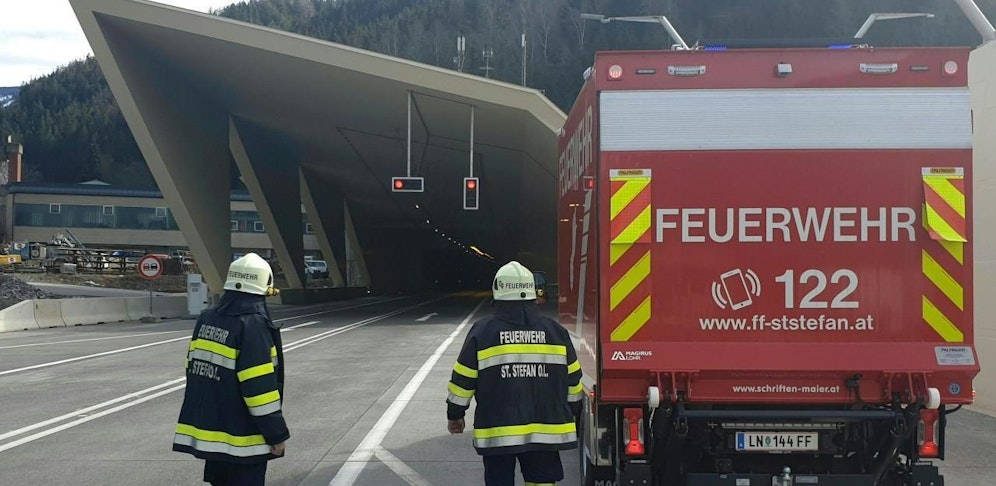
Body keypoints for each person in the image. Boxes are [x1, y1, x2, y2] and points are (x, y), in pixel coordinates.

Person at [446, 261, 584, 486]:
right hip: (546, 431)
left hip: (497, 431)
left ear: (498, 291)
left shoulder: (482, 332)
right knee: (542, 482)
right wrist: (571, 414)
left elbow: (463, 380)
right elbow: (574, 381)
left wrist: (455, 414)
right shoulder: (556, 332)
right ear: (533, 292)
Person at [172, 253, 289, 486]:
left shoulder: (207, 318)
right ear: (264, 286)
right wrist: (276, 434)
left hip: (213, 434)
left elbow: (193, 370)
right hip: (244, 439)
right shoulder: (252, 324)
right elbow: (259, 388)